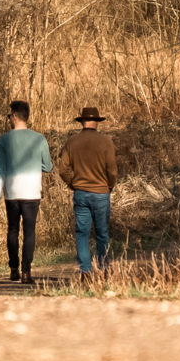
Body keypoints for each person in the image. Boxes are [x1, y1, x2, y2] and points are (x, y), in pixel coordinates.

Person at [0, 100, 53, 284]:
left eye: (10, 116)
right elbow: (48, 166)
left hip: (12, 191)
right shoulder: (39, 139)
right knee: (29, 232)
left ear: (15, 116)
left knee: (12, 230)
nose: (9, 119)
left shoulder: (3, 140)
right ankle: (26, 272)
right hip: (32, 191)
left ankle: (13, 269)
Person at [53, 106, 119, 279]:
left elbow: (62, 170)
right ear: (97, 122)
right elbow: (112, 171)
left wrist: (73, 184)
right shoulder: (106, 142)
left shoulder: (71, 142)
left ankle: (85, 272)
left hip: (81, 192)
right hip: (101, 193)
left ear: (81, 121)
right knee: (102, 232)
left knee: (82, 233)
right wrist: (109, 186)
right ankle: (104, 269)